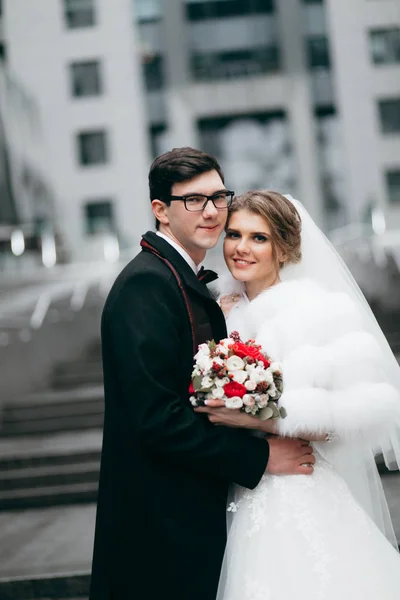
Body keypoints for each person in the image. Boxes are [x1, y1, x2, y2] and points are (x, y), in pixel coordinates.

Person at [89, 150, 315, 600]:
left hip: (192, 514)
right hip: (159, 527)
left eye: (218, 197)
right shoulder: (146, 285)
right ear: (161, 211)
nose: (211, 211)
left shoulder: (185, 280)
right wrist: (260, 457)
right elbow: (156, 417)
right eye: (194, 200)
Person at [196, 189, 400, 600]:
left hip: (298, 486)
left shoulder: (318, 310)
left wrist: (253, 418)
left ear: (284, 248)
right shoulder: (218, 313)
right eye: (234, 234)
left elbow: (347, 416)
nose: (241, 248)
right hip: (237, 487)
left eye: (259, 238)